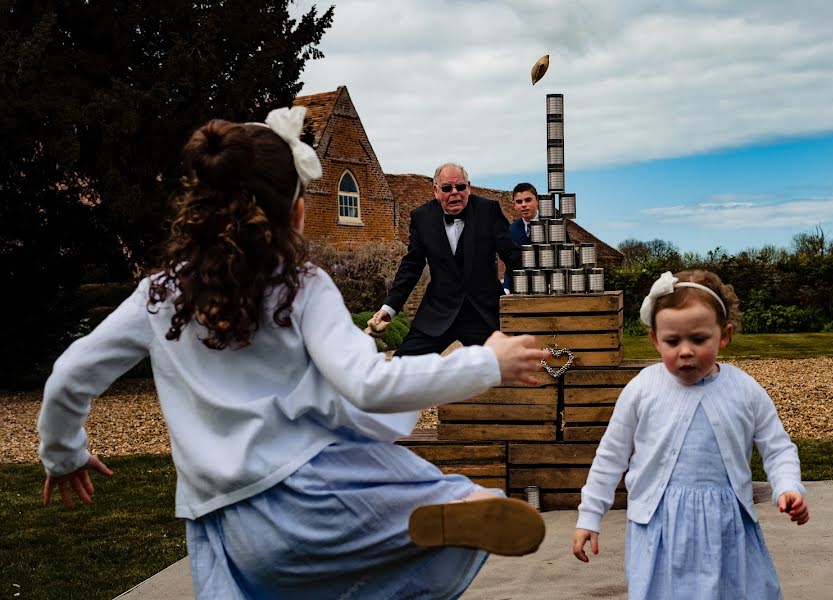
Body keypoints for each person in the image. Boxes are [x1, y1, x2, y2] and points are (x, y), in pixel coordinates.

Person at [37, 107, 548, 599]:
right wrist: (486, 362)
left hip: (229, 527)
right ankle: (443, 507)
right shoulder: (301, 286)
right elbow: (370, 383)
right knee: (412, 500)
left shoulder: (159, 293)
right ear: (297, 209)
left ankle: (431, 512)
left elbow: (69, 375)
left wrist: (64, 454)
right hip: (321, 498)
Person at [572, 270, 809, 599]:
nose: (685, 351)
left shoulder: (744, 390)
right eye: (673, 341)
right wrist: (590, 515)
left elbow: (777, 447)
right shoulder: (642, 389)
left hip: (728, 527)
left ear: (723, 335)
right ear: (656, 339)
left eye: (698, 339)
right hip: (660, 527)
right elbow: (611, 457)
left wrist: (787, 486)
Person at [370, 163, 521, 356]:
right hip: (438, 312)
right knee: (401, 365)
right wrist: (389, 308)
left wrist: (531, 295)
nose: (455, 193)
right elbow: (411, 266)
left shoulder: (488, 210)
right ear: (435, 190)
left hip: (483, 314)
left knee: (508, 373)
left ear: (469, 187)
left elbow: (512, 256)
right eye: (447, 188)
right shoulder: (421, 217)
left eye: (460, 187)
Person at [502, 182, 540, 292]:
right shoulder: (511, 230)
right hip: (521, 291)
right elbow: (510, 265)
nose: (523, 205)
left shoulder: (553, 225)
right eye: (519, 202)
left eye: (528, 200)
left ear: (537, 201)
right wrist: (506, 288)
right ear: (514, 205)